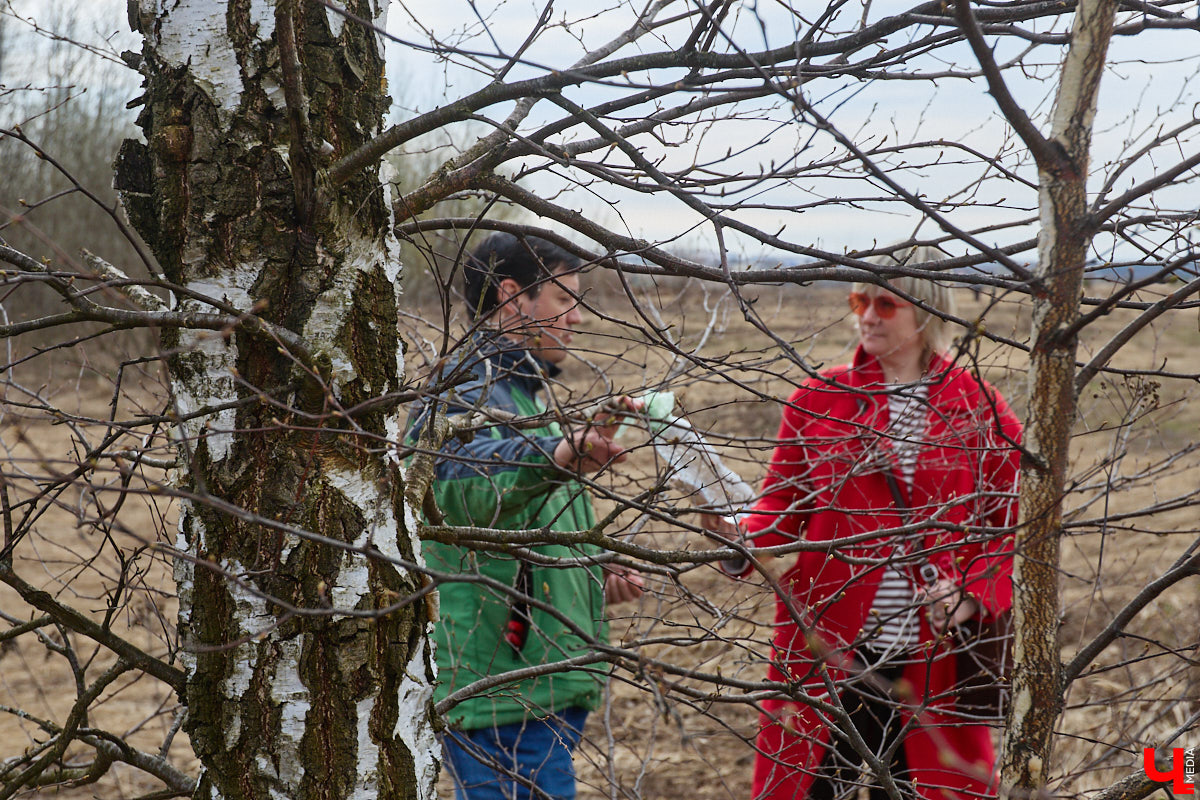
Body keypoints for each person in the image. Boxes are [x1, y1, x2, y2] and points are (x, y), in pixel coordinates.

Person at [720, 252, 1021, 800]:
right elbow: (781, 509)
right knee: (808, 786)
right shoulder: (820, 399)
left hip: (931, 660)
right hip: (828, 650)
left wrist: (972, 596)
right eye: (861, 300)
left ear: (927, 313)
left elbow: (1005, 528)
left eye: (887, 303)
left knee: (922, 790)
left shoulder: (981, 408)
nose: (869, 315)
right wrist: (740, 541)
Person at [411, 232, 644, 800]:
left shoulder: (524, 395)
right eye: (564, 299)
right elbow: (473, 488)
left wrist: (591, 572)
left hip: (538, 682)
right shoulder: (465, 389)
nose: (577, 318)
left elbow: (526, 529)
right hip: (501, 689)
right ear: (513, 298)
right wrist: (560, 454)